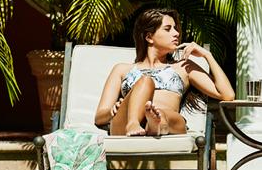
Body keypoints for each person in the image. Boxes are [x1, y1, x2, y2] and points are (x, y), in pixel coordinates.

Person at [94, 8, 235, 136]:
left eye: (175, 29)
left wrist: (207, 55)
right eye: (168, 29)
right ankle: (134, 122)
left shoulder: (183, 67)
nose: (176, 33)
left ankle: (156, 123)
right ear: (149, 37)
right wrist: (112, 111)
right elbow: (99, 117)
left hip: (169, 122)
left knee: (165, 115)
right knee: (146, 81)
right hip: (124, 125)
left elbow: (227, 95)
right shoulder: (122, 69)